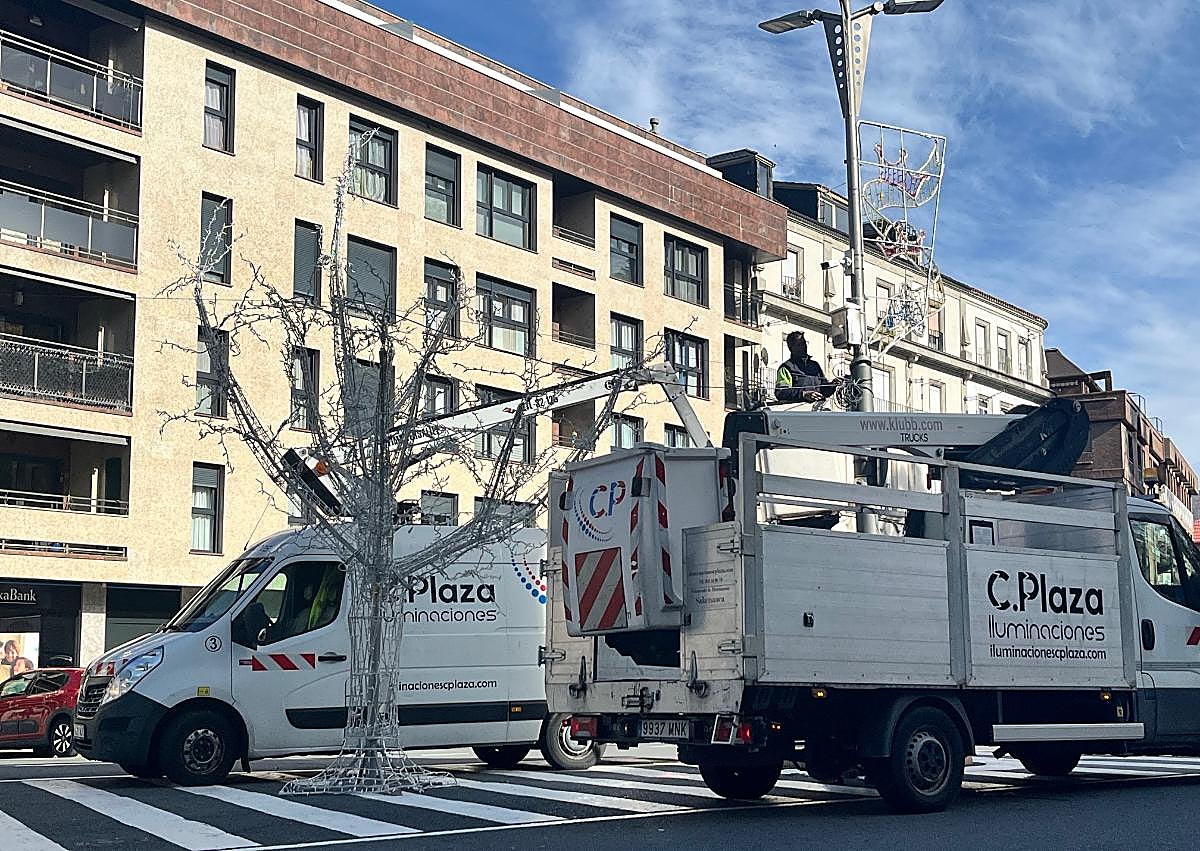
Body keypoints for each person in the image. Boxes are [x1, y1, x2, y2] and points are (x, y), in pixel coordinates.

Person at [775, 331, 835, 403]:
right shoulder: (786, 368)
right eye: (799, 344)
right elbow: (781, 392)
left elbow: (825, 391)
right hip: (798, 409)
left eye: (804, 343)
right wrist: (803, 394)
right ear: (791, 347)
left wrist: (833, 384)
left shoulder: (815, 366)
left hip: (818, 408)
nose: (804, 346)